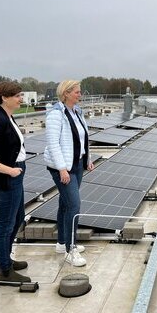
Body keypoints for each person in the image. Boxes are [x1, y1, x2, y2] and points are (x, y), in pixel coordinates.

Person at [44, 80, 94, 267]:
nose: (80, 95)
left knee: (65, 203)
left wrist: (87, 159)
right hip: (63, 167)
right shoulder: (56, 115)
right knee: (74, 205)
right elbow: (53, 144)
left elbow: (82, 139)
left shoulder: (77, 113)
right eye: (77, 92)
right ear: (65, 93)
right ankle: (70, 249)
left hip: (77, 164)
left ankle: (60, 243)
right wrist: (62, 168)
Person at [0, 81, 31, 286]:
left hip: (16, 175)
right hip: (8, 178)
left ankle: (4, 259)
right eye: (17, 96)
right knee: (6, 224)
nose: (21, 99)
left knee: (18, 217)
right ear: (5, 97)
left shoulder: (7, 117)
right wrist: (10, 171)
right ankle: (5, 271)